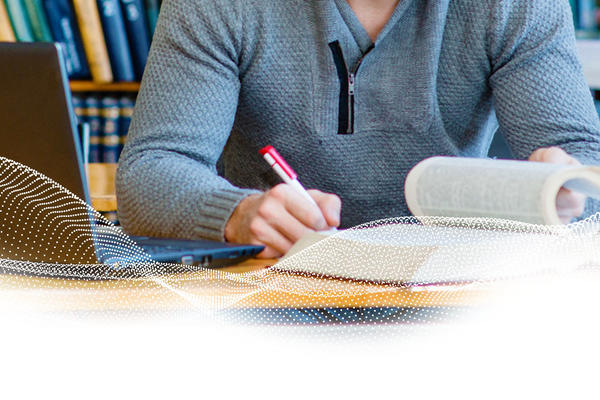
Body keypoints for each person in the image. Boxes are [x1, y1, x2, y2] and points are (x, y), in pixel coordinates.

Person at [116, 0, 600, 258]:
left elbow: (585, 161)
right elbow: (150, 172)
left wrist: (570, 189)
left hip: (453, 292)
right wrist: (239, 214)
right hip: (269, 286)